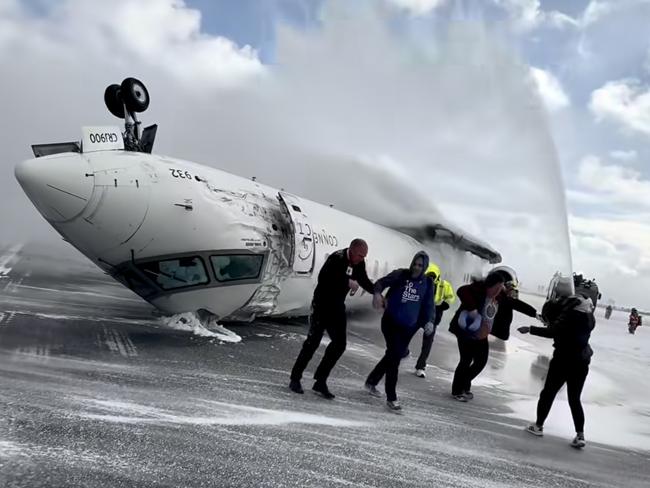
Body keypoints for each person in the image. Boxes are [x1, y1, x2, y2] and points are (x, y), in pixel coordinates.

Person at [289, 239, 374, 399]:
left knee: (339, 344)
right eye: (360, 256)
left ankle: (320, 381)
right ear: (352, 250)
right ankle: (295, 378)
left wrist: (377, 292)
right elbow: (324, 279)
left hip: (337, 307)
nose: (362, 259)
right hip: (322, 304)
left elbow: (363, 279)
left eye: (364, 257)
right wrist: (347, 281)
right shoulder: (336, 258)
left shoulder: (359, 263)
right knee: (312, 343)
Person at [519, 282, 596, 449]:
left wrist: (530, 329)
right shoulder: (587, 312)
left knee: (548, 393)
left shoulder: (569, 314)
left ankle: (538, 426)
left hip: (564, 359)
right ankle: (580, 435)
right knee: (574, 398)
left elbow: (553, 331)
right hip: (582, 360)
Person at [364, 251, 435, 411]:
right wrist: (377, 294)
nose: (416, 268)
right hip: (390, 322)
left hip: (407, 327)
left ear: (424, 267)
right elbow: (381, 283)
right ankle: (391, 397)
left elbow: (428, 305)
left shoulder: (428, 283)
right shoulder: (401, 275)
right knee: (395, 357)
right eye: (415, 264)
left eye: (420, 265)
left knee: (392, 355)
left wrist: (429, 322)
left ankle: (371, 382)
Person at [449, 272, 505, 402]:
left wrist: (534, 314)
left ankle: (464, 384)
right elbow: (461, 290)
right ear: (489, 285)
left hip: (482, 334)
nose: (498, 291)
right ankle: (457, 390)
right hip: (466, 330)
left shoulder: (499, 297)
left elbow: (515, 303)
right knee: (466, 360)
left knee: (481, 361)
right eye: (496, 287)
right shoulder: (478, 290)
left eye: (500, 288)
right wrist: (472, 308)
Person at [414, 262, 455, 378]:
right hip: (420, 313)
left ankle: (420, 367)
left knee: (427, 343)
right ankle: (402, 352)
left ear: (437, 276)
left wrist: (444, 305)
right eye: (428, 276)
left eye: (432, 277)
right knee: (406, 334)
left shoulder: (444, 285)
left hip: (434, 316)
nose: (430, 279)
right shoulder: (421, 282)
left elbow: (451, 297)